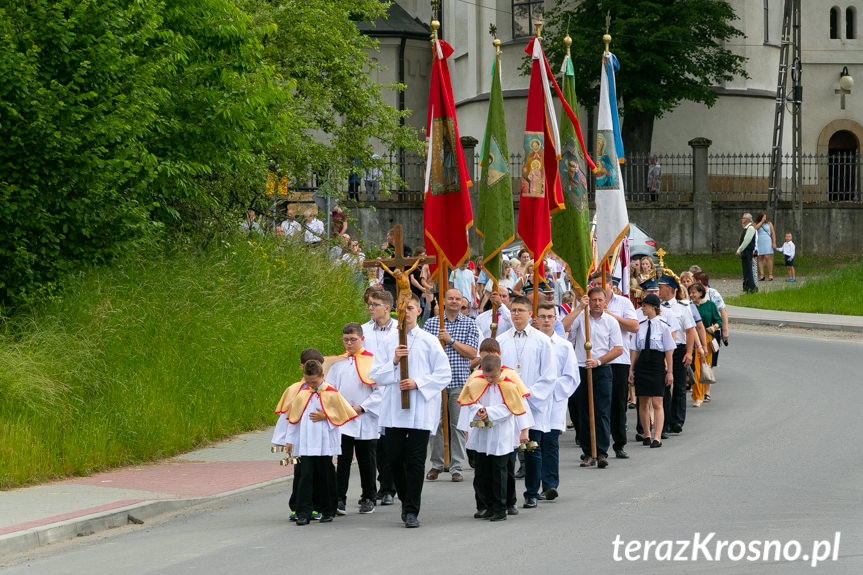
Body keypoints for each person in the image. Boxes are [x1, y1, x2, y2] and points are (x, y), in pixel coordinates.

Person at [369, 294, 452, 528]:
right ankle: (406, 498)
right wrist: (394, 361)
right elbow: (375, 375)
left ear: (418, 311)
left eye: (412, 308)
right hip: (395, 410)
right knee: (394, 459)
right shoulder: (388, 342)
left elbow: (444, 374)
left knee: (415, 462)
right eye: (403, 309)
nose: (407, 313)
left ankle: (411, 509)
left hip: (420, 409)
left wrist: (418, 383)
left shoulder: (429, 341)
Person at [497, 296, 557, 508]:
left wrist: (526, 395)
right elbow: (498, 372)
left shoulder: (542, 341)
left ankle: (531, 492)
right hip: (508, 404)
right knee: (508, 452)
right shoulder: (502, 340)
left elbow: (549, 375)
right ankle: (507, 498)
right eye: (513, 310)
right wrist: (509, 397)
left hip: (533, 404)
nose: (516, 314)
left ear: (530, 314)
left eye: (521, 310)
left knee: (532, 450)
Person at [457, 354, 532, 521]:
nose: (490, 380)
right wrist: (478, 410)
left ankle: (500, 508)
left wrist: (489, 413)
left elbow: (510, 408)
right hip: (481, 435)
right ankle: (486, 505)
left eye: (493, 376)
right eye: (487, 376)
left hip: (500, 435)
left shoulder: (509, 386)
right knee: (482, 472)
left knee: (499, 473)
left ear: (500, 370)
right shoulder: (477, 382)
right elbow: (469, 403)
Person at [283, 358, 358, 525]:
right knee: (305, 476)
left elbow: (345, 414)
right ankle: (304, 511)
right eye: (308, 381)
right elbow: (294, 419)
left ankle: (327, 509)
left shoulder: (332, 393)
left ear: (322, 375)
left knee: (325, 477)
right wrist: (289, 441)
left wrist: (327, 416)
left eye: (314, 381)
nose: (311, 385)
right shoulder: (302, 394)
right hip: (306, 444)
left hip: (324, 443)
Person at [422, 289, 480, 483]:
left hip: (459, 381)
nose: (454, 302)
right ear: (444, 301)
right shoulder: (431, 323)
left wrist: (451, 341)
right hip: (435, 383)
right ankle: (437, 464)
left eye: (457, 299)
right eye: (450, 298)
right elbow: (424, 352)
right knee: (436, 423)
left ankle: (456, 466)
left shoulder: (469, 324)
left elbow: (472, 353)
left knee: (457, 424)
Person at [563, 288, 624, 468]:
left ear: (605, 301)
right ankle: (588, 452)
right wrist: (579, 308)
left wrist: (598, 361)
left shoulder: (611, 322)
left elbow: (618, 348)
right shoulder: (581, 318)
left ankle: (602, 452)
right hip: (582, 368)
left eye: (600, 300)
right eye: (594, 300)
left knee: (602, 412)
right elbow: (563, 327)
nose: (597, 303)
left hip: (601, 369)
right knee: (583, 412)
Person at [328, 323, 382, 515]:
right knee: (342, 459)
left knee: (366, 459)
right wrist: (342, 407)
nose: (349, 343)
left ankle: (369, 496)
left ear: (362, 339)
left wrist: (362, 407)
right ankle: (339, 498)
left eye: (353, 340)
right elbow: (330, 389)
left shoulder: (373, 362)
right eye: (346, 340)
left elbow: (380, 391)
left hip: (365, 417)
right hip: (344, 419)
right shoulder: (338, 364)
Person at [272, 348, 326, 522]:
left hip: (319, 440)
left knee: (317, 473)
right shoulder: (294, 389)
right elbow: (287, 417)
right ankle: (297, 506)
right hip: (298, 440)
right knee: (301, 472)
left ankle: (315, 506)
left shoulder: (325, 388)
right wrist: (286, 440)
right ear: (302, 367)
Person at [534, 301, 579, 500]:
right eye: (542, 316)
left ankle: (550, 484)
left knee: (550, 442)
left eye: (549, 316)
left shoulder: (564, 346)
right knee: (533, 444)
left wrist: (551, 388)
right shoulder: (531, 343)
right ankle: (532, 486)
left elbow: (571, 377)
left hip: (554, 401)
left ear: (555, 319)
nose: (546, 320)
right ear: (535, 319)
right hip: (534, 400)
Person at [360, 288, 397, 506]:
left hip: (390, 388)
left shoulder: (399, 331)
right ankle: (373, 487)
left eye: (374, 304)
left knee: (388, 442)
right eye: (369, 304)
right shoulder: (364, 331)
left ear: (387, 307)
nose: (370, 308)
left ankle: (388, 487)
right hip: (370, 392)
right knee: (372, 444)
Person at [596, 275, 638, 459]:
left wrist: (610, 315)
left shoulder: (623, 303)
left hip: (618, 360)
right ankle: (597, 446)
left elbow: (634, 326)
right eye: (594, 284)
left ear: (610, 285)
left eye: (600, 284)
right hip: (598, 359)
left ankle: (619, 443)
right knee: (599, 406)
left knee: (618, 404)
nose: (597, 287)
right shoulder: (590, 303)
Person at [629, 294, 675, 448]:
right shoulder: (640, 326)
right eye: (642, 305)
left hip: (656, 363)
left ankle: (657, 436)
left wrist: (669, 371)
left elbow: (669, 350)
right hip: (643, 364)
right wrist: (631, 369)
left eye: (645, 305)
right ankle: (647, 433)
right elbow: (634, 349)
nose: (643, 308)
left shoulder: (663, 326)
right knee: (643, 401)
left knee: (657, 401)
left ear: (654, 307)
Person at [655, 270, 697, 434]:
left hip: (678, 349)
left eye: (662, 287)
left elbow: (689, 331)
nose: (659, 289)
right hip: (661, 349)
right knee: (663, 387)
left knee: (679, 386)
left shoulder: (683, 307)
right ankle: (663, 422)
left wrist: (689, 352)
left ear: (671, 288)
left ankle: (677, 421)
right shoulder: (656, 307)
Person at [688, 282, 721, 407]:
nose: (691, 295)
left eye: (694, 293)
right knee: (695, 368)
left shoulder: (710, 305)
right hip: (692, 337)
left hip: (707, 338)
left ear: (701, 293)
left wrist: (714, 327)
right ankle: (698, 396)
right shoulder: (689, 306)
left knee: (704, 367)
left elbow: (718, 320)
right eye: (690, 293)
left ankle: (704, 392)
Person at [736, 213, 758, 293]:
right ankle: (747, 286)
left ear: (746, 220)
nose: (742, 220)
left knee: (748, 270)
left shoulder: (751, 228)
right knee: (745, 270)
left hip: (747, 252)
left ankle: (751, 288)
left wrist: (739, 250)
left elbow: (747, 241)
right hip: (745, 252)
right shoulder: (746, 228)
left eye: (743, 218)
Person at [754, 211, 777, 281]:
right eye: (763, 216)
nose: (765, 218)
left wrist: (774, 243)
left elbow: (773, 233)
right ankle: (762, 275)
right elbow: (755, 228)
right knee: (760, 258)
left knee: (767, 257)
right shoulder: (756, 223)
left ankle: (770, 274)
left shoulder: (769, 223)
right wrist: (761, 222)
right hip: (759, 242)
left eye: (765, 216)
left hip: (767, 241)